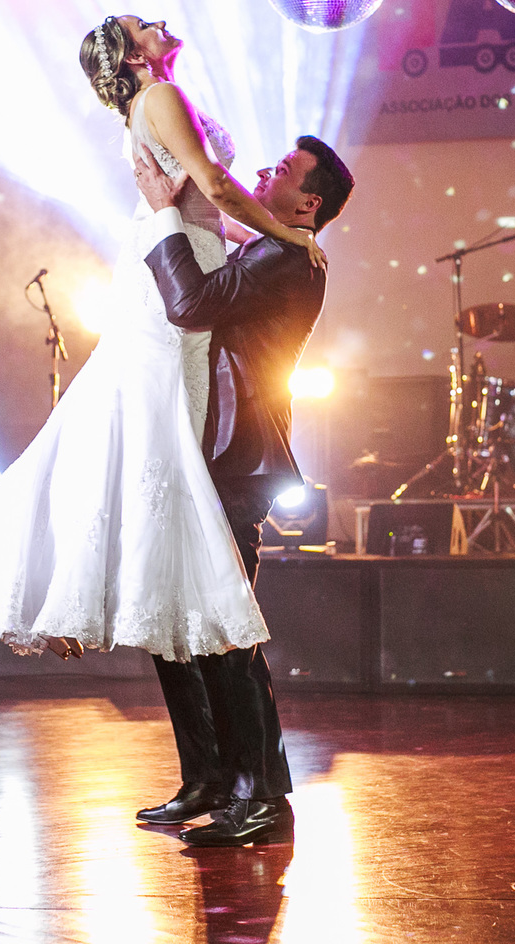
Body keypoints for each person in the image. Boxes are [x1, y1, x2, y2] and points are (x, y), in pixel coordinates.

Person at [0, 16, 323, 665]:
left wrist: (254, 238)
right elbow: (209, 184)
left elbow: (203, 204)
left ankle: (101, 585)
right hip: (170, 260)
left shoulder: (158, 101)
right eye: (141, 26)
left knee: (137, 429)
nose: (159, 22)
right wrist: (284, 236)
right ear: (132, 56)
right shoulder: (159, 98)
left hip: (184, 245)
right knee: (146, 428)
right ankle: (92, 586)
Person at [133, 132, 354, 846]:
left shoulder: (289, 256)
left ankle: (261, 796)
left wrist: (164, 216)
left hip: (239, 457)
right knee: (174, 620)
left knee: (224, 628)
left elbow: (191, 305)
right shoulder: (270, 245)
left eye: (284, 170)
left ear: (309, 202)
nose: (265, 169)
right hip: (208, 454)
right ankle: (209, 778)